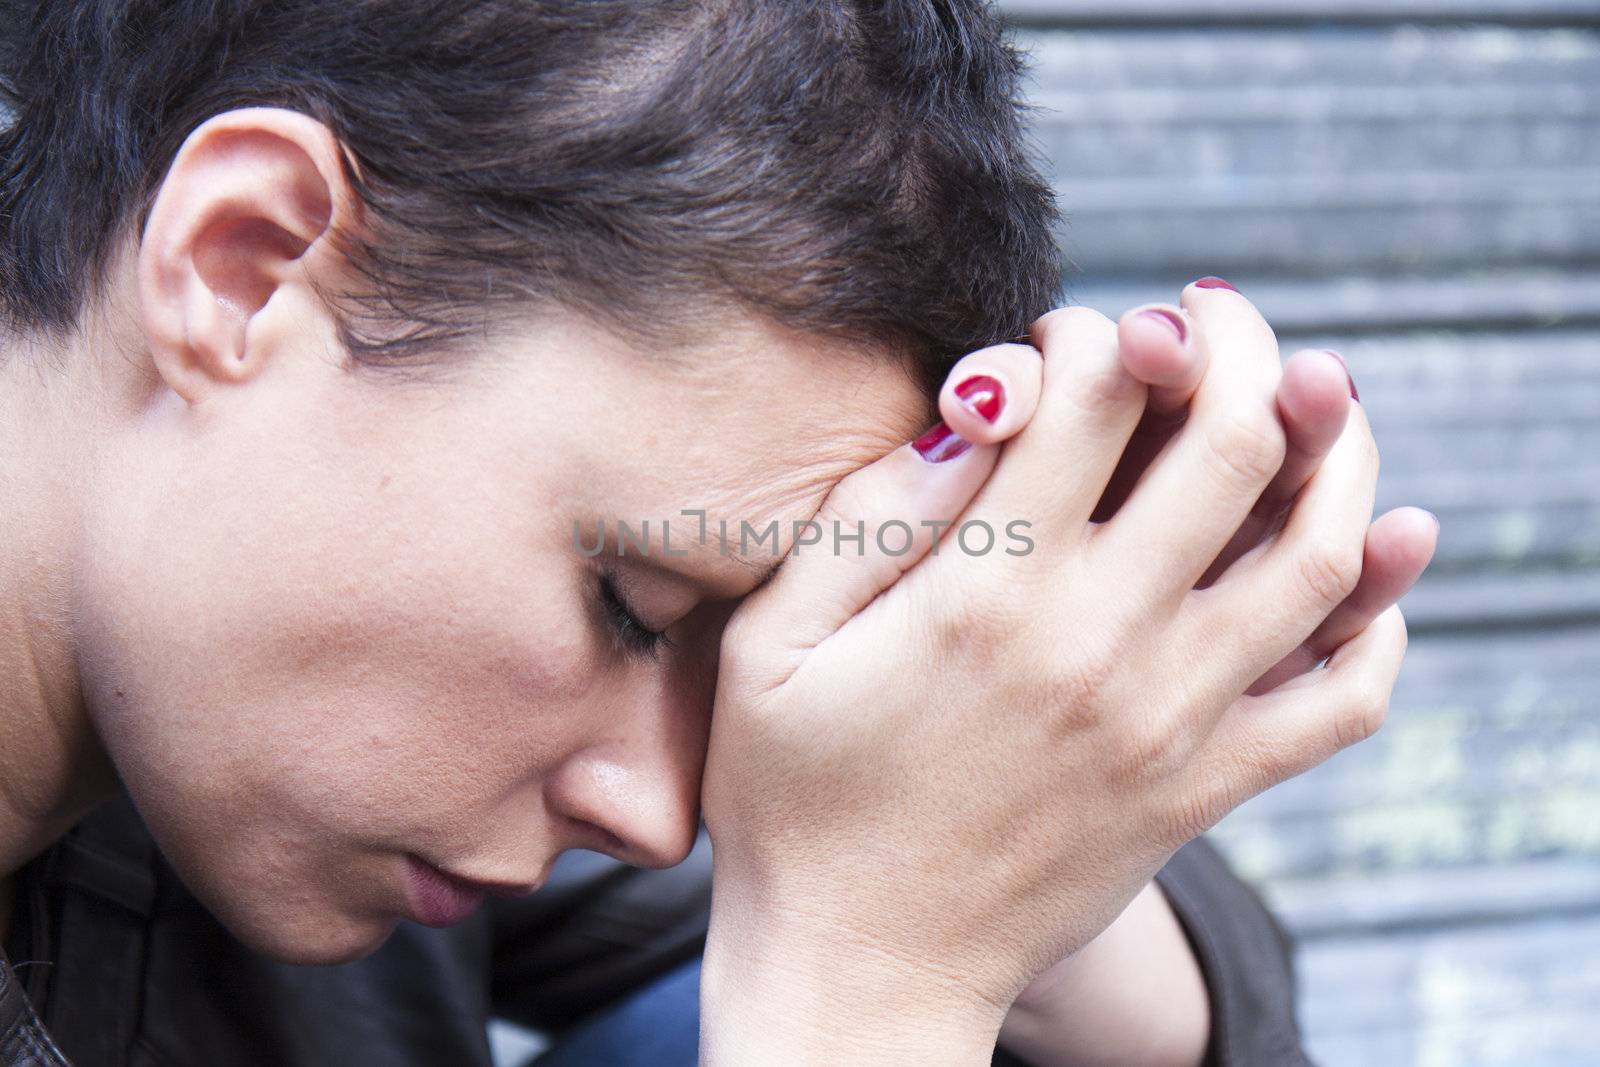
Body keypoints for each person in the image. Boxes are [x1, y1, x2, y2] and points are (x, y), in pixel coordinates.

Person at [0, 1, 1438, 1064]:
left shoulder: (278, 749)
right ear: (244, 267)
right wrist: (871, 991)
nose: (654, 811)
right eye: (632, 601)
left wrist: (1017, 731)